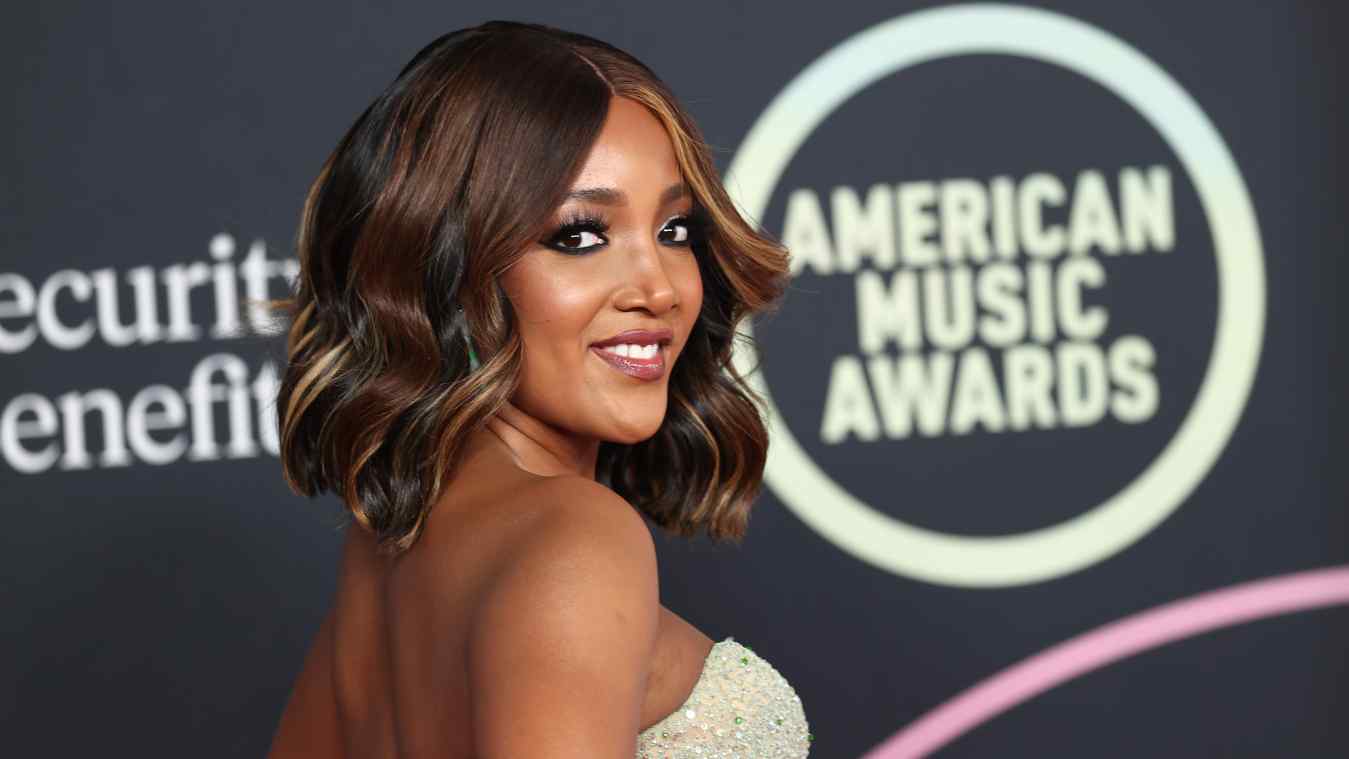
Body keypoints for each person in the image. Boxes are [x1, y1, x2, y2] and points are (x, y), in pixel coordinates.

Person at [263, 20, 811, 758]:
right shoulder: (574, 536)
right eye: (580, 236)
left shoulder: (390, 543)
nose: (659, 288)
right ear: (453, 271)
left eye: (675, 230)